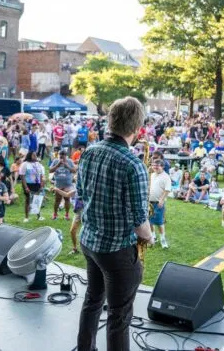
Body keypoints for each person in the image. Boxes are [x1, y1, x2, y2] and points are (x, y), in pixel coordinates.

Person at [76, 97, 153, 351]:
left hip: (89, 242)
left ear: (110, 121)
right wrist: (150, 238)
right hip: (116, 252)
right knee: (119, 317)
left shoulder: (89, 151)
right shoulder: (133, 165)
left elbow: (82, 195)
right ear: (137, 129)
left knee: (92, 301)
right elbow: (139, 223)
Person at [149, 159, 171, 249]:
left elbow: (167, 190)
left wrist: (161, 200)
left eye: (157, 165)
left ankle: (163, 239)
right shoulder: (152, 175)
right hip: (149, 202)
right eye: (154, 165)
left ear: (162, 166)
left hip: (158, 203)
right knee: (149, 221)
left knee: (159, 222)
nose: (155, 167)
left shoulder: (166, 177)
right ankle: (153, 236)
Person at [50, 148, 76, 220]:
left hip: (68, 185)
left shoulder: (70, 161)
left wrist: (67, 166)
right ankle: (55, 214)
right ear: (58, 155)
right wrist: (58, 165)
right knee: (57, 200)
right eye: (60, 155)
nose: (61, 157)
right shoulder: (55, 161)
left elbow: (74, 171)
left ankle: (67, 215)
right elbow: (50, 170)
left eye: (63, 155)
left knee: (67, 199)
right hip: (58, 185)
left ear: (66, 155)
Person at [20, 151, 45, 222]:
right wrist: (26, 187)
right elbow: (22, 176)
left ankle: (38, 216)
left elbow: (40, 174)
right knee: (28, 200)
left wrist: (41, 184)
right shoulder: (25, 164)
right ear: (29, 156)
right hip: (28, 184)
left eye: (35, 155)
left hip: (37, 184)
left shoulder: (38, 164)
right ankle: (26, 217)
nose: (35, 156)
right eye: (33, 155)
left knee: (37, 199)